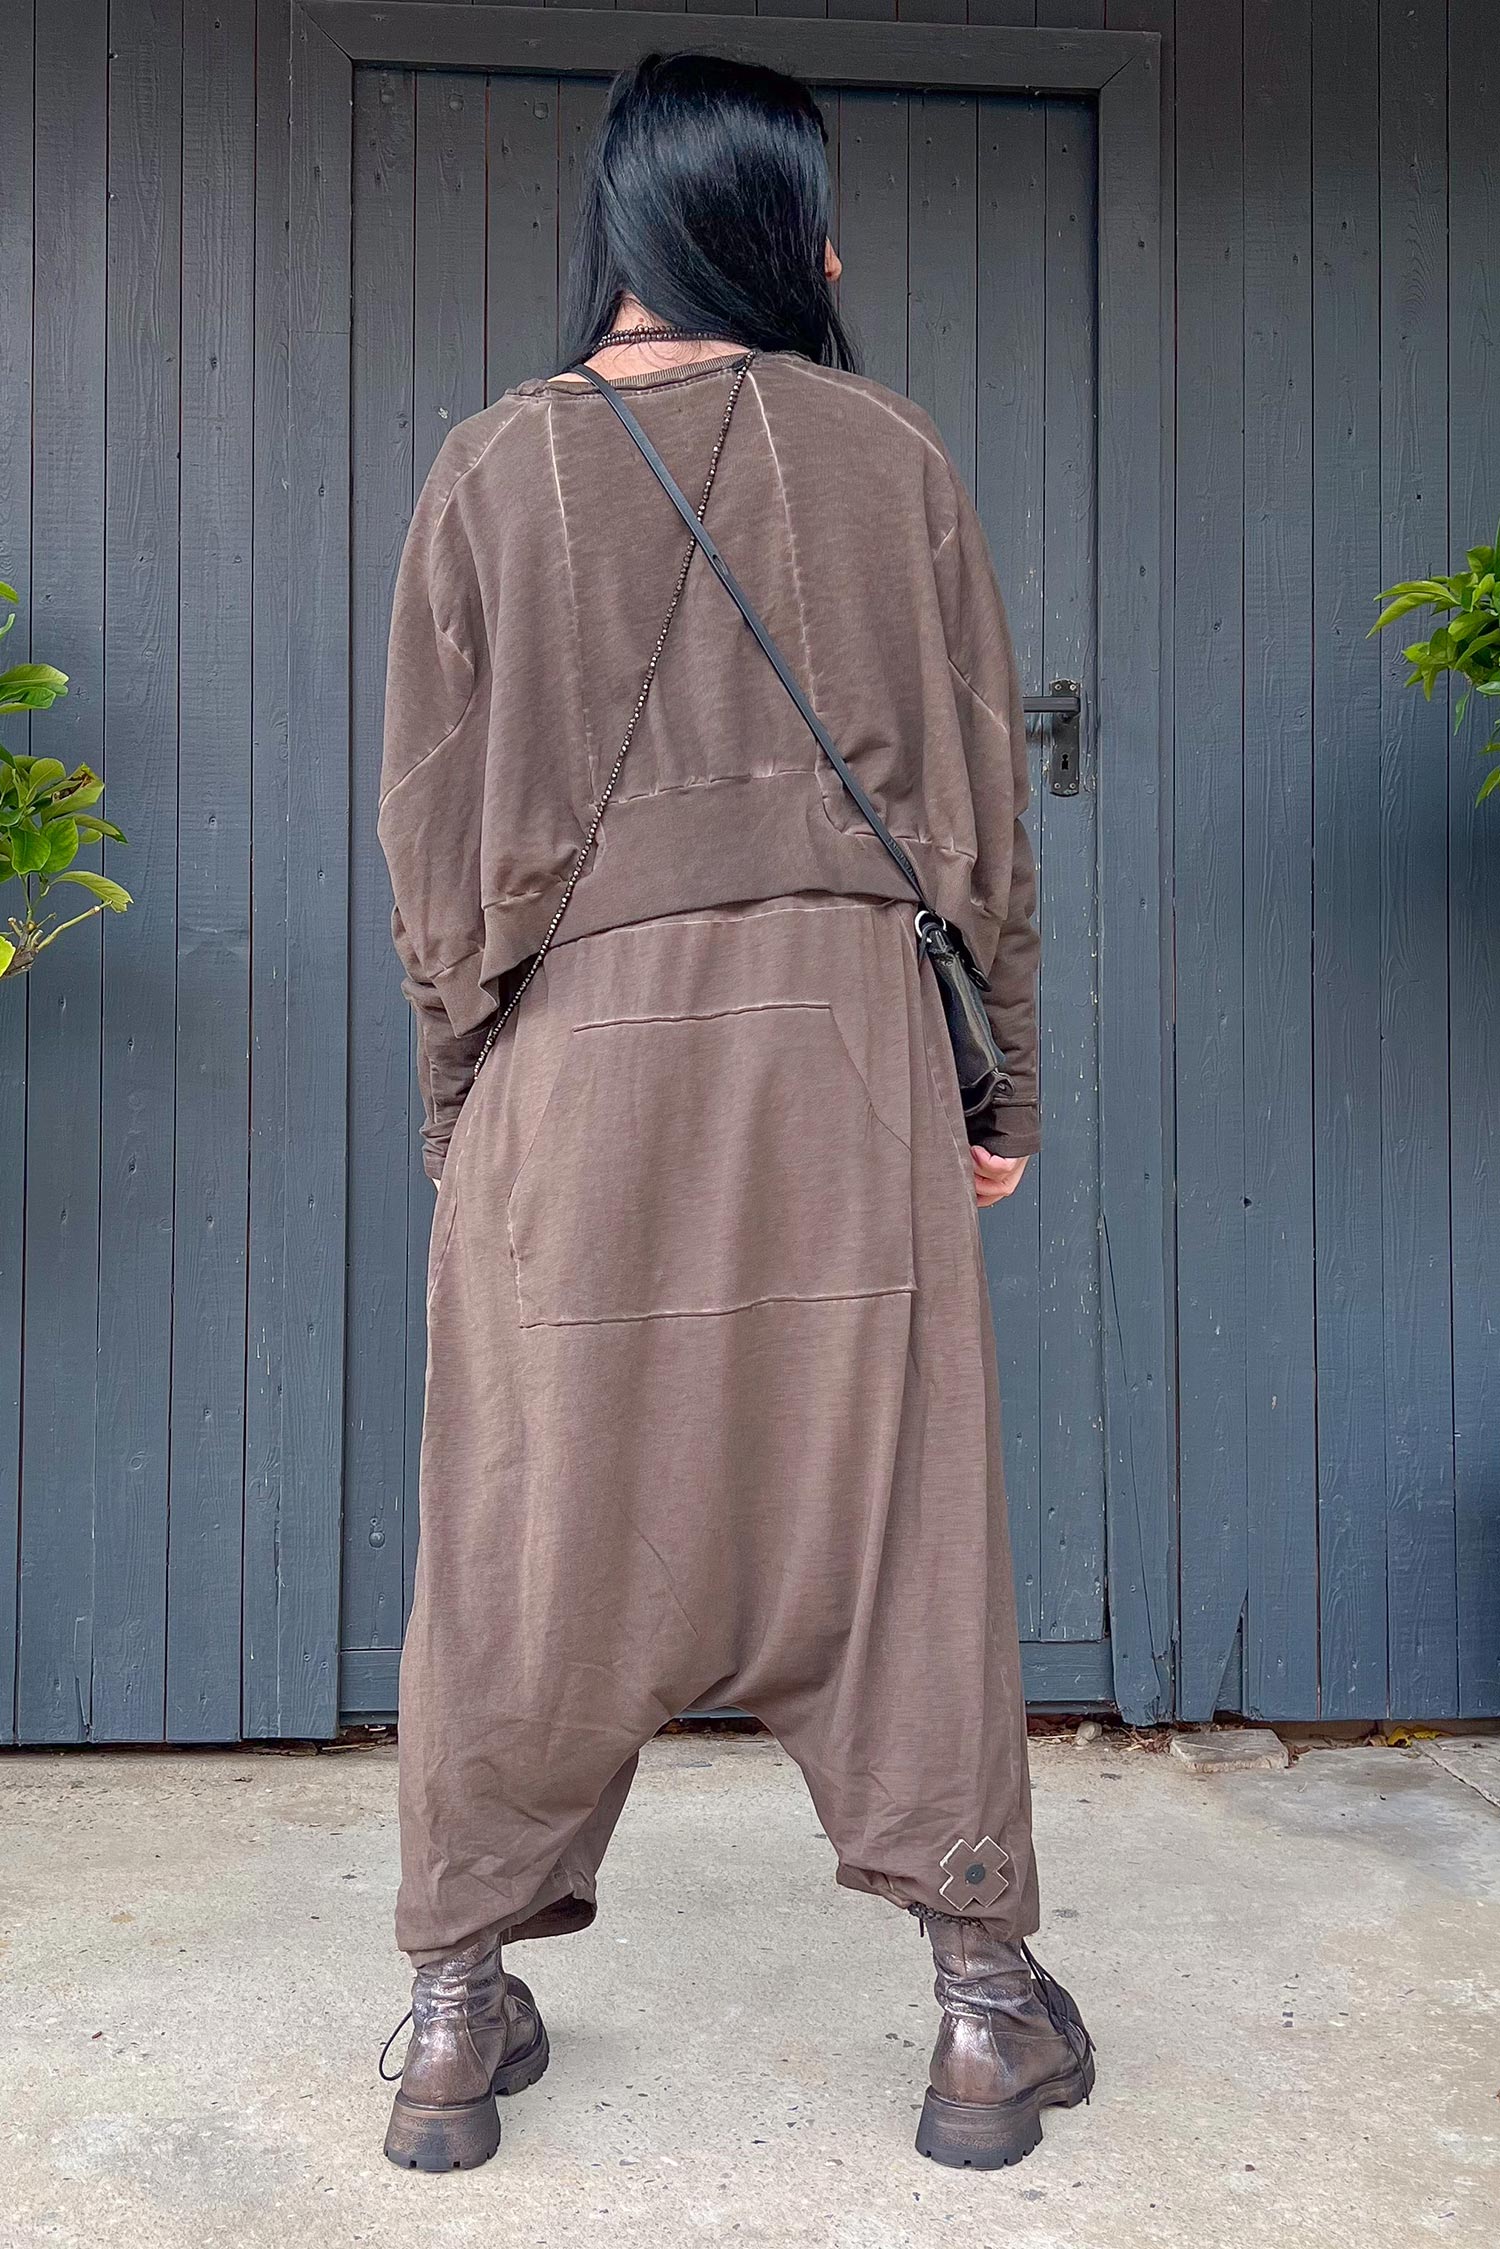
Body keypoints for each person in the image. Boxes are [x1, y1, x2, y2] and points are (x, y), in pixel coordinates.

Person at [376, 48, 1094, 2176]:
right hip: (844, 1064)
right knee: (896, 1515)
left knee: (523, 1531)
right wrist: (1000, 1077)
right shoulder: (891, 454)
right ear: (776, 229)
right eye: (823, 217)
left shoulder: (491, 469)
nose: (840, 258)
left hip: (570, 1068)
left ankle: (450, 2012)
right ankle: (982, 2008)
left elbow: (431, 850)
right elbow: (984, 818)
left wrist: (461, 1109)